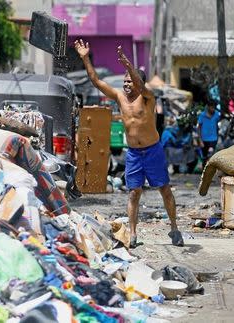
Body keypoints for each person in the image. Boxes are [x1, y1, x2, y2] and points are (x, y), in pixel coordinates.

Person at [74, 39, 184, 247]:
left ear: (138, 83)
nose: (125, 85)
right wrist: (85, 58)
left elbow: (142, 86)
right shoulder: (119, 97)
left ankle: (174, 228)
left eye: (129, 81)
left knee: (165, 190)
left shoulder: (148, 98)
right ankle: (133, 234)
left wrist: (128, 65)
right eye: (124, 81)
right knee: (134, 193)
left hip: (153, 151)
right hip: (134, 153)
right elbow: (96, 81)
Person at [198, 100, 221, 169]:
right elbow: (199, 128)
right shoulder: (202, 115)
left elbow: (217, 126)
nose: (213, 109)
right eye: (212, 107)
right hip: (204, 139)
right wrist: (200, 140)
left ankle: (209, 172)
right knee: (204, 157)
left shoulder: (217, 114)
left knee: (210, 154)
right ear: (208, 107)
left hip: (213, 138)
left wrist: (218, 137)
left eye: (214, 107)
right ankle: (204, 173)